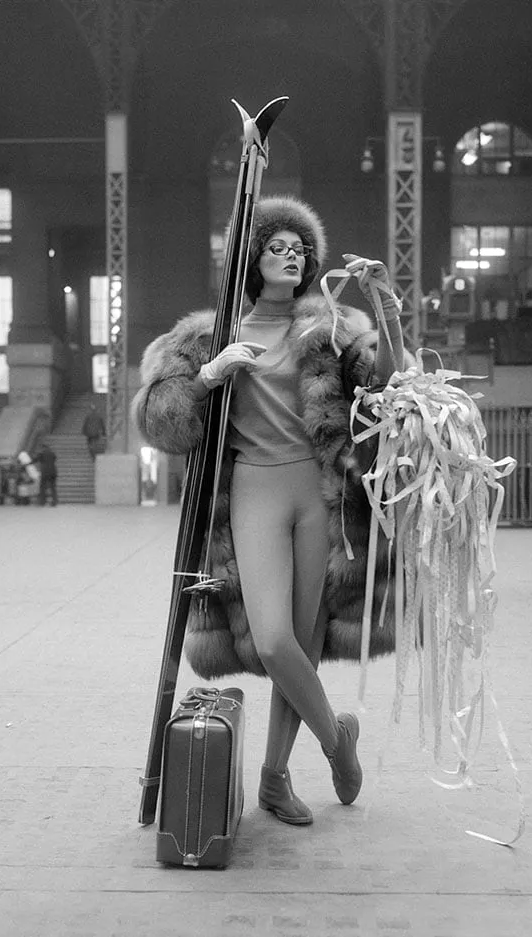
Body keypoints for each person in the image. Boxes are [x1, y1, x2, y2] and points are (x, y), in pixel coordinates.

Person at [133, 196, 406, 826]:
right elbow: (157, 419)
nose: (291, 256)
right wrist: (206, 379)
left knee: (303, 647)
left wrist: (388, 315)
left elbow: (385, 387)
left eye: (300, 249)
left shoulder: (330, 326)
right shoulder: (207, 335)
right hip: (253, 491)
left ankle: (274, 780)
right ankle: (339, 744)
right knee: (274, 639)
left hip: (319, 495)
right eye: (277, 247)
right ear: (249, 259)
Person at [32, 441, 58, 506]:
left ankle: (43, 502)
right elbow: (54, 459)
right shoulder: (52, 453)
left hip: (45, 472)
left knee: (43, 487)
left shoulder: (42, 453)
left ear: (42, 448)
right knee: (53, 487)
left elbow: (35, 460)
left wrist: (27, 463)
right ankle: (54, 502)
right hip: (53, 472)